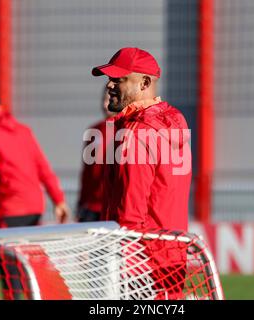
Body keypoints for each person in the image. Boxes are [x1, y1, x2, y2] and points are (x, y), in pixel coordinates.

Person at [92, 47, 192, 299]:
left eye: (119, 79)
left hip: (138, 267)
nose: (110, 86)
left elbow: (130, 214)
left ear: (145, 83)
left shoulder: (136, 133)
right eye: (109, 79)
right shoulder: (173, 123)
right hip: (170, 257)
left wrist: (115, 268)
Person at [0, 89, 71, 230]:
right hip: (35, 206)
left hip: (9, 207)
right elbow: (43, 167)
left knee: (8, 251)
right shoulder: (23, 130)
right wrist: (58, 200)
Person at [76, 87, 116, 222]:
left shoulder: (128, 129)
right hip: (92, 207)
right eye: (103, 100)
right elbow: (87, 171)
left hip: (113, 206)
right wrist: (81, 202)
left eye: (109, 99)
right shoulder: (94, 130)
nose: (105, 105)